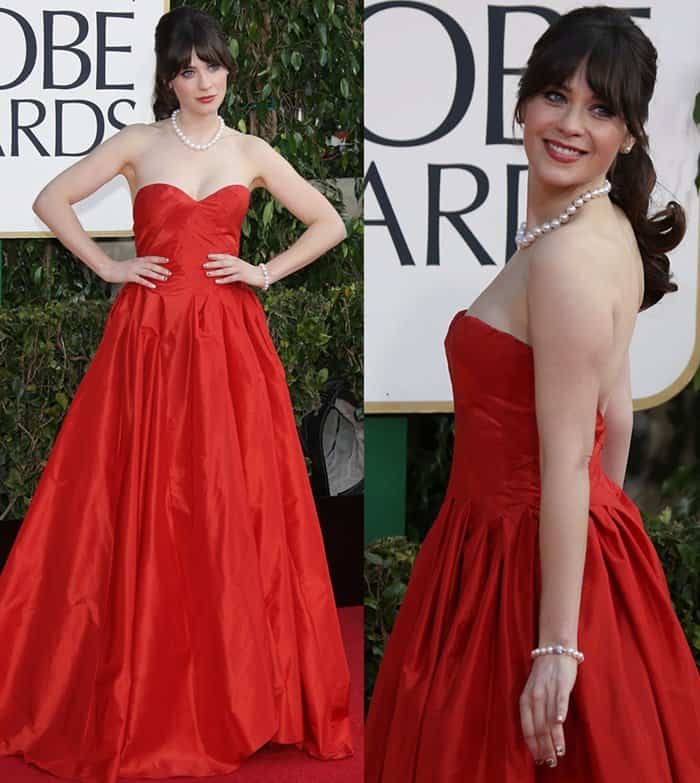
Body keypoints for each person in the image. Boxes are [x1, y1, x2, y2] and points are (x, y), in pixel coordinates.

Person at [0, 6, 353, 782]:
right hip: (150, 344)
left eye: (213, 65)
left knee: (231, 503)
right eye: (187, 69)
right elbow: (51, 200)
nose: (203, 81)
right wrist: (110, 267)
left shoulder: (253, 150)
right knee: (140, 498)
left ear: (229, 69)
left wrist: (262, 271)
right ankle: (142, 683)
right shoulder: (138, 144)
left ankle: (236, 691)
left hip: (229, 348)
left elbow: (329, 221)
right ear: (167, 77)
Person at [365, 6, 700, 782]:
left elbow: (566, 462)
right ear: (521, 102)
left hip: (511, 564)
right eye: (557, 95)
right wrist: (597, 573)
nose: (571, 124)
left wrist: (556, 643)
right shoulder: (598, 225)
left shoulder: (568, 261)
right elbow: (614, 420)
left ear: (628, 133)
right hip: (529, 547)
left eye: (601, 108)